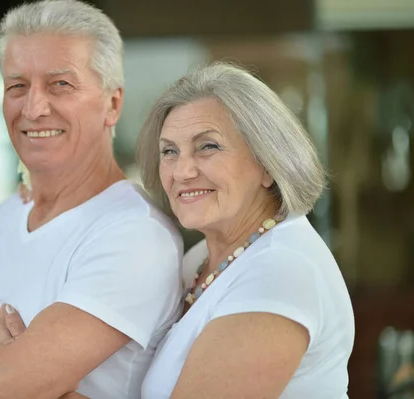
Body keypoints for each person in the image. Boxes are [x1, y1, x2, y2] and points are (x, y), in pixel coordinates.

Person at [0, 1, 184, 399]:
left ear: (112, 104)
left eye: (61, 84)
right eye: (17, 86)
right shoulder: (3, 219)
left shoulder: (133, 234)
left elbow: (0, 386)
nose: (34, 108)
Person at [133, 62, 355, 398]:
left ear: (268, 164)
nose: (182, 171)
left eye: (208, 146)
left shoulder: (280, 270)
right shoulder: (200, 259)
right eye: (169, 151)